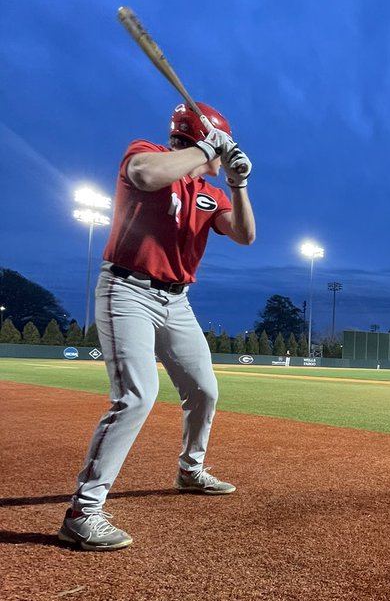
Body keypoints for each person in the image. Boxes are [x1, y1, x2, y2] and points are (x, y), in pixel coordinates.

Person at [58, 101, 256, 551]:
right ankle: (82, 512)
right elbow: (146, 176)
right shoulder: (145, 153)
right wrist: (209, 146)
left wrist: (238, 183)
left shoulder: (210, 190)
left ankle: (190, 470)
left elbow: (245, 235)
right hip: (127, 289)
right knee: (136, 395)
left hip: (177, 300)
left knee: (205, 389)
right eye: (216, 150)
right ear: (199, 139)